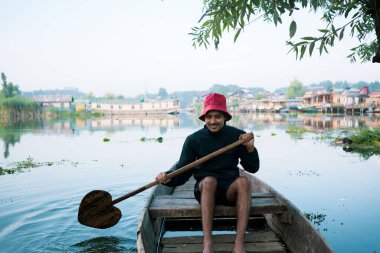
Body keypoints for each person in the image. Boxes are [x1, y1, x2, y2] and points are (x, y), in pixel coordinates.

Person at [155, 92, 259, 253]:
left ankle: (239, 244)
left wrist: (250, 148)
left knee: (244, 181)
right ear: (204, 118)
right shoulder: (193, 140)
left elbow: (253, 168)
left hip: (229, 190)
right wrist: (167, 178)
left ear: (225, 117)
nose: (213, 121)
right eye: (209, 116)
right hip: (205, 190)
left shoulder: (237, 136)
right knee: (209, 180)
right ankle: (208, 244)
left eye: (217, 116)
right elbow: (183, 171)